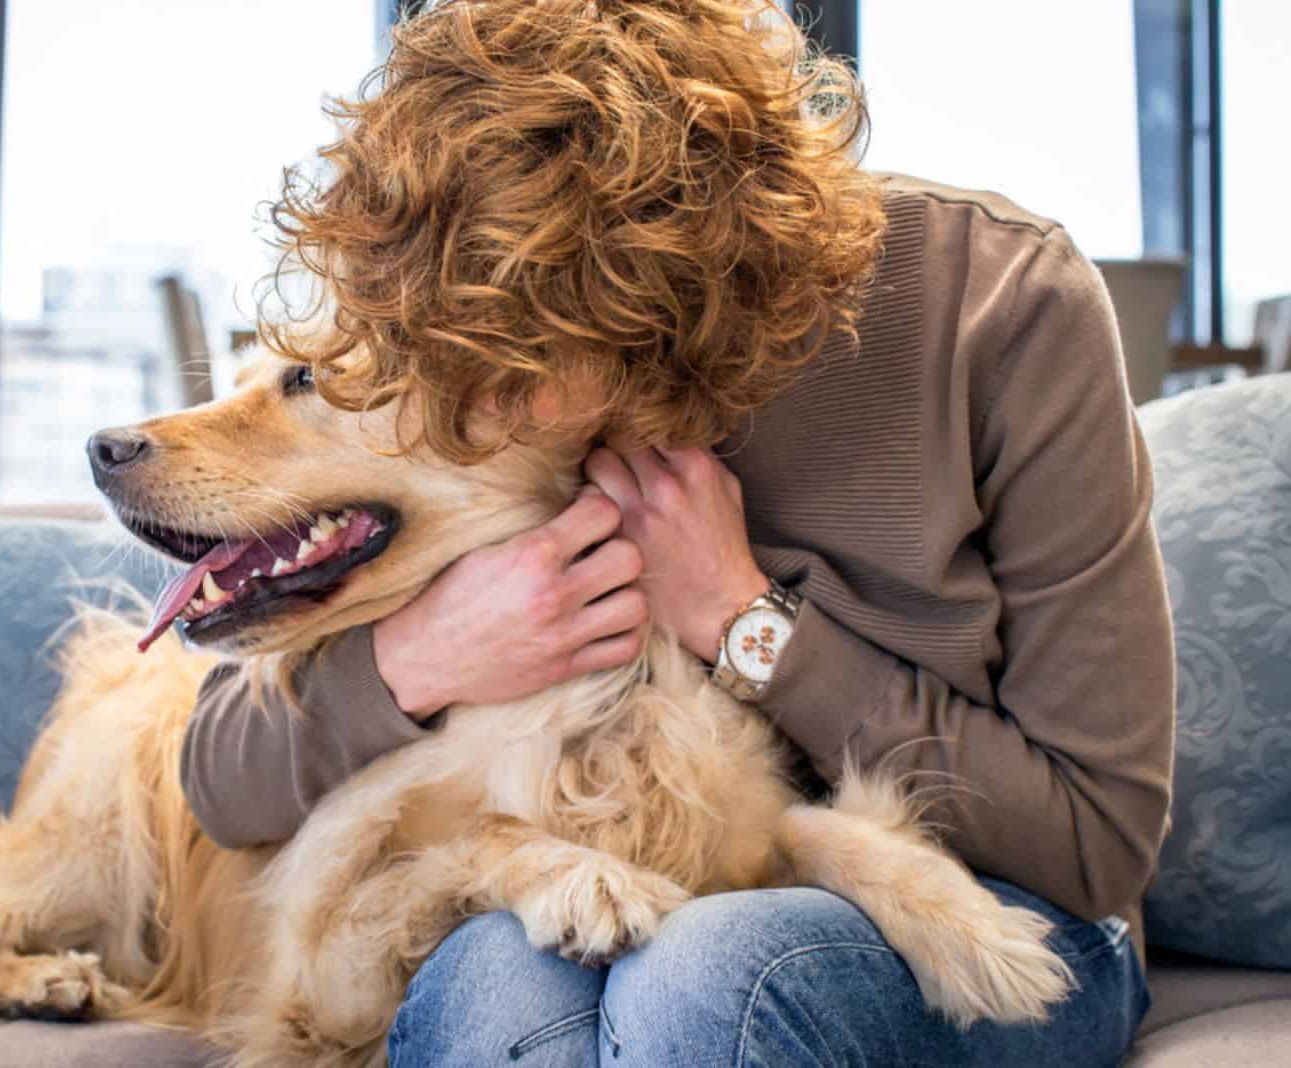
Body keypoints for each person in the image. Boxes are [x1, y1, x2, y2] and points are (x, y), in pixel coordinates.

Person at [182, 1, 1175, 1063]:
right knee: (496, 976)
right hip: (611, 880)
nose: (481, 395)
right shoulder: (467, 323)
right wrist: (418, 658)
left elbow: (1093, 841)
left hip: (982, 914)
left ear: (674, 288)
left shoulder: (1000, 301)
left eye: (525, 346)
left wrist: (748, 624)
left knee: (708, 971)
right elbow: (219, 770)